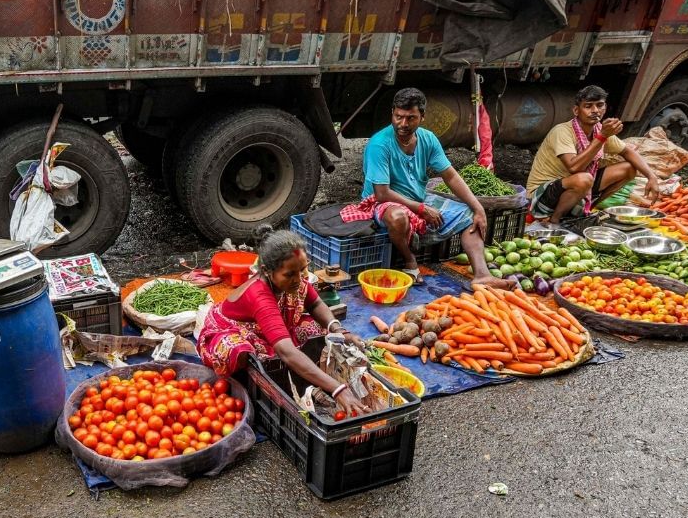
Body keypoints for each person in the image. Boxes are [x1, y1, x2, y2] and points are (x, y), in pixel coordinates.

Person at [198, 226, 372, 416]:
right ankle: (249, 385)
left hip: (268, 323)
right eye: (290, 275)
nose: (299, 279)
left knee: (315, 331)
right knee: (243, 352)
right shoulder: (259, 295)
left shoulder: (293, 277)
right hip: (233, 330)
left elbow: (314, 304)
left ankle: (308, 380)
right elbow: (286, 352)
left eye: (303, 270)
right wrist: (339, 389)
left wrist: (339, 330)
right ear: (267, 271)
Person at [354, 87, 507, 287]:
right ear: (392, 112)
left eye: (410, 118)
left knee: (470, 215)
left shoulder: (427, 139)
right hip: (381, 203)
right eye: (398, 117)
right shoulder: (379, 145)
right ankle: (410, 261)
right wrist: (420, 209)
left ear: (422, 117)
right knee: (397, 217)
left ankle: (482, 274)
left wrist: (478, 208)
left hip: (417, 199)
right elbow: (382, 194)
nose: (403, 124)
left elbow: (450, 176)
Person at [525, 85, 660, 230]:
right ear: (576, 110)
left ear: (605, 107)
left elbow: (628, 152)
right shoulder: (562, 131)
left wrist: (651, 177)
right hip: (543, 196)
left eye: (600, 105)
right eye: (588, 106)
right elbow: (574, 167)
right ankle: (554, 221)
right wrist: (602, 137)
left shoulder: (598, 130)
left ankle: (586, 209)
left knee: (629, 169)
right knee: (584, 178)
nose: (595, 111)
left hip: (578, 187)